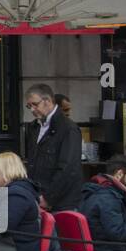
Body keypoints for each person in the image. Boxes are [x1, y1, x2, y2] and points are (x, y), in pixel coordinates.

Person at [23, 84, 82, 212]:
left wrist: (48, 198)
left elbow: (68, 168)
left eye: (35, 104)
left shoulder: (68, 128)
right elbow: (32, 163)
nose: (32, 109)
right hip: (38, 197)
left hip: (62, 202)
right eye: (29, 106)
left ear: (48, 101)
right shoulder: (33, 127)